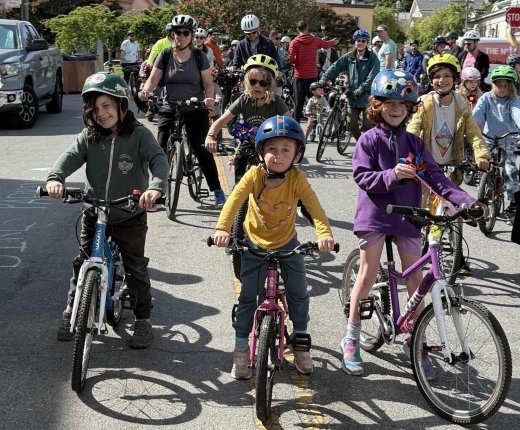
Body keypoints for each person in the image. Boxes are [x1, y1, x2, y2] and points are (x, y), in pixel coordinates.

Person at [342, 69, 483, 377]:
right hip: (375, 214)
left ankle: (415, 341)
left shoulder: (415, 144)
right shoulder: (368, 139)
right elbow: (362, 176)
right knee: (366, 275)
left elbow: (436, 178)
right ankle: (351, 337)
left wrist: (467, 202)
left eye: (402, 105)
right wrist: (392, 175)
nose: (395, 109)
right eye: (389, 103)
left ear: (409, 110)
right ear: (377, 106)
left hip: (408, 214)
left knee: (416, 280)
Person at [47, 72, 168, 349]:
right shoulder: (89, 137)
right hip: (95, 210)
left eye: (107, 106)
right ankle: (71, 309)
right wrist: (56, 178)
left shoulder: (139, 135)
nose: (101, 114)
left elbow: (158, 159)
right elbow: (69, 157)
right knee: (83, 261)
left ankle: (142, 320)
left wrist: (156, 187)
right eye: (96, 108)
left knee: (136, 267)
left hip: (129, 213)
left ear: (122, 105)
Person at [212, 115, 335, 378]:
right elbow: (234, 201)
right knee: (247, 298)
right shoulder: (254, 175)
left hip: (286, 241)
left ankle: (300, 341)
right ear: (260, 152)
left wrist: (324, 233)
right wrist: (222, 229)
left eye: (285, 150)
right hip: (254, 242)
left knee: (298, 292)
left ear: (297, 154)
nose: (278, 156)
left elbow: (314, 208)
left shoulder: (297, 179)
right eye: (271, 149)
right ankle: (241, 350)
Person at [407, 54, 490, 276]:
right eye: (436, 77)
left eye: (446, 76)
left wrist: (482, 155)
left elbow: (473, 134)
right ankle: (420, 250)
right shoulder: (424, 103)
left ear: (455, 79)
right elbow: (412, 131)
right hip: (426, 167)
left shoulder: (461, 104)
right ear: (430, 80)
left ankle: (458, 258)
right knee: (424, 211)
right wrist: (405, 156)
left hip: (452, 166)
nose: (441, 80)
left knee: (454, 213)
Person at [138, 14, 227, 208]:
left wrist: (209, 100)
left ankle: (217, 190)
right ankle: (158, 193)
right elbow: (153, 79)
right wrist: (146, 90)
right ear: (172, 34)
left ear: (191, 35)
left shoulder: (199, 57)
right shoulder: (166, 55)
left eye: (185, 32)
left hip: (194, 106)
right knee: (159, 148)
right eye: (177, 32)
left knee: (201, 148)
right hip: (169, 105)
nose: (181, 36)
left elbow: (208, 84)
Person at [205, 55, 291, 183]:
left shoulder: (276, 102)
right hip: (247, 142)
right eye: (253, 81)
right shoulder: (244, 100)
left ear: (269, 85)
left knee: (277, 180)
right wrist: (210, 136)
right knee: (239, 177)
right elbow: (222, 120)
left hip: (268, 144)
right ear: (247, 82)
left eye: (263, 83)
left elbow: (291, 123)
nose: (257, 86)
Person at [473, 65, 520, 224]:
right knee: (482, 164)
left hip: (511, 139)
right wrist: (471, 127)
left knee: (510, 170)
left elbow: (517, 113)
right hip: (489, 137)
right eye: (498, 85)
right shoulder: (486, 98)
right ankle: (483, 192)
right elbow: (476, 115)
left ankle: (513, 205)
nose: (501, 89)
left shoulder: (514, 100)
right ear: (493, 84)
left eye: (505, 85)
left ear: (511, 86)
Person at [320, 29, 379, 142]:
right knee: (351, 124)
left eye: (363, 41)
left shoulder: (372, 58)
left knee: (367, 125)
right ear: (354, 42)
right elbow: (334, 67)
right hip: (352, 96)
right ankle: (362, 142)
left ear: (367, 43)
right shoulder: (349, 57)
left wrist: (361, 89)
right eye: (357, 40)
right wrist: (323, 79)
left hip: (368, 96)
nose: (360, 43)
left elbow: (372, 77)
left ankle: (367, 144)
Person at [289, 21, 338, 123]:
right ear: (307, 28)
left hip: (299, 76)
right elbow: (326, 45)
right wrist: (334, 42)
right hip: (312, 75)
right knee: (316, 101)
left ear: (297, 29)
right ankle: (317, 125)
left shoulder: (294, 42)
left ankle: (295, 126)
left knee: (298, 103)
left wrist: (296, 62)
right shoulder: (314, 40)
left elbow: (291, 59)